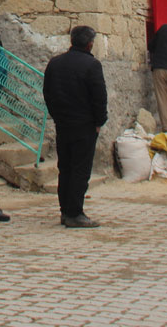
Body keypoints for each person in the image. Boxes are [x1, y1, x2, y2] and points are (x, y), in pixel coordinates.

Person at [43, 25, 108, 228]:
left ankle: (65, 210)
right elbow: (99, 97)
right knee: (80, 169)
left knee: (65, 168)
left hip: (63, 124)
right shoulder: (92, 65)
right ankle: (75, 212)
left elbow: (48, 93)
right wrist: (99, 121)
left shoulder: (55, 63)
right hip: (84, 125)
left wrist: (57, 116)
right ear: (89, 44)